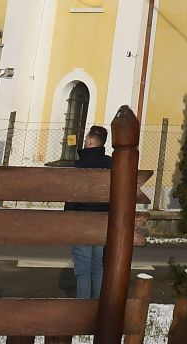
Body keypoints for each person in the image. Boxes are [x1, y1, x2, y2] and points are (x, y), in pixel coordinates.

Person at [68, 123, 112, 299]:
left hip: (81, 221)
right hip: (102, 220)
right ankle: (97, 306)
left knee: (83, 269)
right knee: (98, 266)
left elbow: (72, 195)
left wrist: (68, 219)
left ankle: (83, 308)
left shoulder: (80, 165)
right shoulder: (111, 164)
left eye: (87, 137)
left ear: (91, 141)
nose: (85, 140)